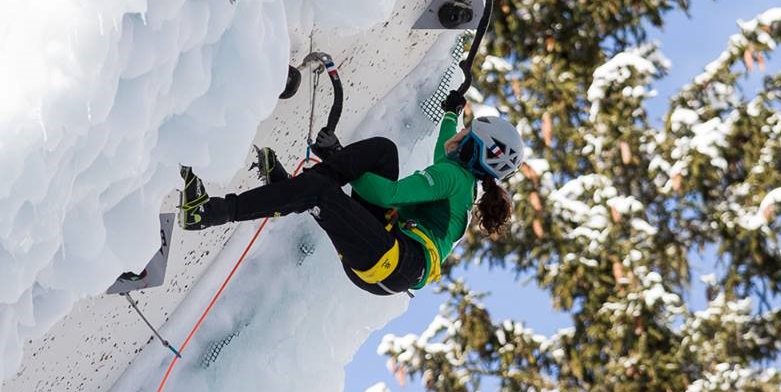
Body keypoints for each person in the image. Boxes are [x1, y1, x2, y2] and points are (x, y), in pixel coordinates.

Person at [178, 91, 524, 296]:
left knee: (321, 191)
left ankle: (207, 212)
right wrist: (451, 112)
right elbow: (442, 152)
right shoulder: (461, 181)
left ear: (470, 150)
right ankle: (291, 191)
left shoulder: (454, 178)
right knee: (383, 153)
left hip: (390, 262)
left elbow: (389, 195)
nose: (458, 134)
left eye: (466, 133)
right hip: (392, 259)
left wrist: (334, 154)